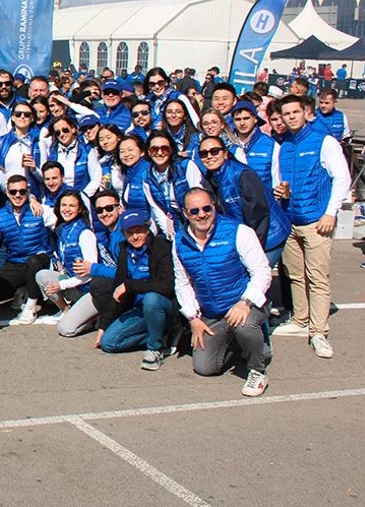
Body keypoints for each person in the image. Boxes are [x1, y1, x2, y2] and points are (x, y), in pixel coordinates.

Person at [173, 188, 272, 397]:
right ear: (185, 213)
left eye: (207, 208)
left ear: (214, 206)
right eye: (194, 211)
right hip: (212, 312)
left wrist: (245, 302)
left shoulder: (239, 231)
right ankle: (242, 346)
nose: (201, 214)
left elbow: (262, 271)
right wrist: (192, 317)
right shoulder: (179, 242)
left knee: (244, 326)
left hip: (244, 304)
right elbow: (182, 283)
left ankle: (257, 369)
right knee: (204, 368)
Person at [271, 95, 349, 358]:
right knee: (295, 275)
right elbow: (280, 181)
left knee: (317, 277)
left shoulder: (323, 141)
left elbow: (342, 178)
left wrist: (330, 213)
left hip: (317, 221)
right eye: (286, 114)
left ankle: (318, 331)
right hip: (291, 221)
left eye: (295, 112)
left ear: (305, 112)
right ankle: (300, 320)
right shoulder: (284, 146)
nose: (291, 117)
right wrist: (280, 191)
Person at [87, 210, 176, 370]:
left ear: (147, 229)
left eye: (139, 231)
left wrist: (130, 285)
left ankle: (155, 349)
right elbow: (117, 291)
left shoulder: (161, 247)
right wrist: (104, 325)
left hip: (162, 306)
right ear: (124, 233)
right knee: (109, 343)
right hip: (139, 310)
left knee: (151, 298)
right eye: (130, 233)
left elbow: (166, 286)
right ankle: (163, 335)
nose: (135, 237)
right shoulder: (125, 251)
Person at [197, 136, 290, 269]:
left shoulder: (242, 174)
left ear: (226, 153)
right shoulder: (211, 179)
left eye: (215, 151)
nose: (209, 156)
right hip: (245, 236)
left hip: (269, 235)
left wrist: (253, 250)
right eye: (204, 153)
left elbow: (259, 216)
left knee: (256, 278)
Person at [0, 175, 52, 326]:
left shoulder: (40, 210)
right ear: (7, 192)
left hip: (40, 262)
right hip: (16, 264)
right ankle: (22, 288)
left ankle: (31, 305)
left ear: (28, 192)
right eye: (13, 192)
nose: (17, 195)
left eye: (22, 191)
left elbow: (61, 231)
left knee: (34, 261)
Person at [35, 190, 99, 333]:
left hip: (89, 289)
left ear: (80, 208)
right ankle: (65, 311)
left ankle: (92, 317)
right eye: (63, 205)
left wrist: (61, 284)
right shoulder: (64, 229)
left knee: (66, 329)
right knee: (42, 276)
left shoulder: (85, 233)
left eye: (72, 206)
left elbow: (90, 274)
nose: (67, 209)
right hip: (75, 285)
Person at [144, 131, 203, 238]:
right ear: (148, 152)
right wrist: (171, 234)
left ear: (171, 150)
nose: (160, 153)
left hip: (197, 218)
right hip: (174, 222)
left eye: (165, 148)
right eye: (154, 149)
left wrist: (197, 228)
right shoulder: (147, 176)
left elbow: (199, 198)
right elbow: (157, 209)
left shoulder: (185, 166)